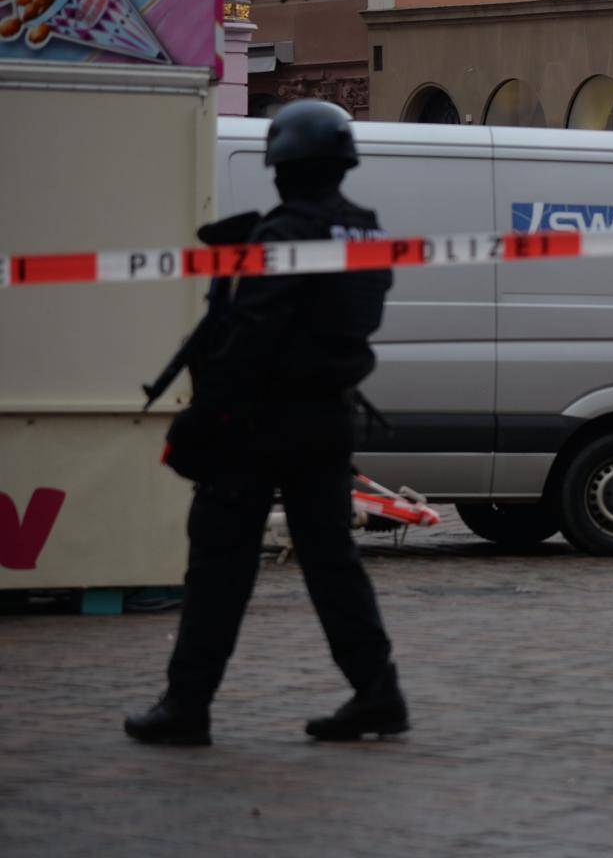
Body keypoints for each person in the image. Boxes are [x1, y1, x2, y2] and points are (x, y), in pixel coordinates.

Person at [126, 100, 406, 746]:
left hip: (258, 425)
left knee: (220, 567)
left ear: (285, 167)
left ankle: (186, 705)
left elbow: (249, 339)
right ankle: (378, 691)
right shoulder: (365, 232)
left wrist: (202, 419)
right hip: (328, 419)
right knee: (334, 564)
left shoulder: (282, 238)